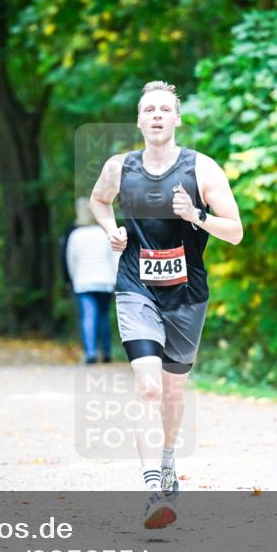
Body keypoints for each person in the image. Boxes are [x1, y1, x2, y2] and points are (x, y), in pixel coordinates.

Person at [89, 80, 243, 529]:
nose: (156, 115)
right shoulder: (120, 167)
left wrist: (195, 215)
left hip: (186, 295)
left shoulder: (202, 169)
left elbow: (235, 231)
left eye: (164, 109)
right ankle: (154, 489)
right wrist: (111, 229)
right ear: (139, 120)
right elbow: (99, 201)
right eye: (148, 109)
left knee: (173, 391)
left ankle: (169, 459)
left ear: (176, 119)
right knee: (149, 388)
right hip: (135, 288)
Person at [64, 197, 119, 364]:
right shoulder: (105, 233)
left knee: (88, 315)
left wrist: (74, 279)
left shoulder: (75, 236)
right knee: (103, 316)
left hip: (83, 282)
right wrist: (116, 280)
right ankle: (107, 352)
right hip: (105, 281)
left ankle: (90, 352)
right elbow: (114, 258)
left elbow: (71, 260)